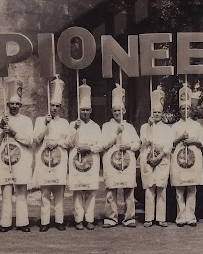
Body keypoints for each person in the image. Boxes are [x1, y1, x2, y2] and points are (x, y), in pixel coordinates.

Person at [0, 77, 34, 232]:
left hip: (21, 161)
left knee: (21, 192)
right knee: (6, 193)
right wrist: (2, 129)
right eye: (12, 104)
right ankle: (5, 222)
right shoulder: (0, 120)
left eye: (17, 104)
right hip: (5, 160)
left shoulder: (26, 121)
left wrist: (14, 132)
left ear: (20, 105)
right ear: (7, 104)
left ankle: (23, 222)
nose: (14, 106)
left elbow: (30, 140)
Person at [32, 77, 70, 232]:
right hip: (44, 162)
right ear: (49, 106)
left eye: (57, 106)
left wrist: (57, 143)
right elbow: (35, 139)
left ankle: (60, 220)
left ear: (60, 107)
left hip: (59, 162)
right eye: (52, 105)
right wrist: (44, 125)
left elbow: (68, 143)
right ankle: (45, 221)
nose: (54, 108)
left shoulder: (65, 123)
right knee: (45, 194)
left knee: (59, 193)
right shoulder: (41, 120)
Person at [100, 84, 140, 228]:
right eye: (115, 110)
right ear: (112, 111)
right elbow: (103, 145)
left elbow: (138, 143)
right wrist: (115, 133)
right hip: (112, 164)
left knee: (129, 190)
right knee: (111, 191)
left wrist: (128, 146)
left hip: (127, 164)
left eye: (120, 110)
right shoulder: (106, 126)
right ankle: (111, 217)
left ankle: (129, 217)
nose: (118, 113)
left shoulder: (129, 127)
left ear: (124, 110)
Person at [67, 80, 103, 230]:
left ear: (91, 111)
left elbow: (100, 145)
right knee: (77, 191)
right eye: (83, 110)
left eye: (88, 110)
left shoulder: (95, 126)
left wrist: (88, 148)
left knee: (90, 191)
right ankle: (78, 219)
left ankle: (89, 218)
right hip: (77, 163)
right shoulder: (73, 125)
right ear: (79, 111)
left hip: (91, 162)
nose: (85, 113)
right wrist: (74, 130)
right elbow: (68, 143)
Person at [170, 83, 203, 227]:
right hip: (178, 160)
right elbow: (170, 143)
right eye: (183, 108)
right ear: (179, 110)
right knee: (179, 189)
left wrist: (192, 140)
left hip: (193, 159)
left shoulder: (196, 125)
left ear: (191, 110)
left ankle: (191, 216)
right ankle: (180, 216)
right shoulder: (175, 126)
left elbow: (202, 142)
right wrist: (180, 138)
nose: (185, 111)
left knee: (191, 188)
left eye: (188, 108)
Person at [139, 87, 173, 227]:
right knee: (149, 188)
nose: (157, 114)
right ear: (151, 113)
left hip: (162, 160)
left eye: (159, 112)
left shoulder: (167, 128)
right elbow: (144, 141)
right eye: (154, 112)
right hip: (148, 160)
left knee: (161, 189)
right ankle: (149, 218)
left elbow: (169, 145)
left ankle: (160, 218)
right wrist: (149, 126)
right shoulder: (144, 127)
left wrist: (159, 156)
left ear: (162, 113)